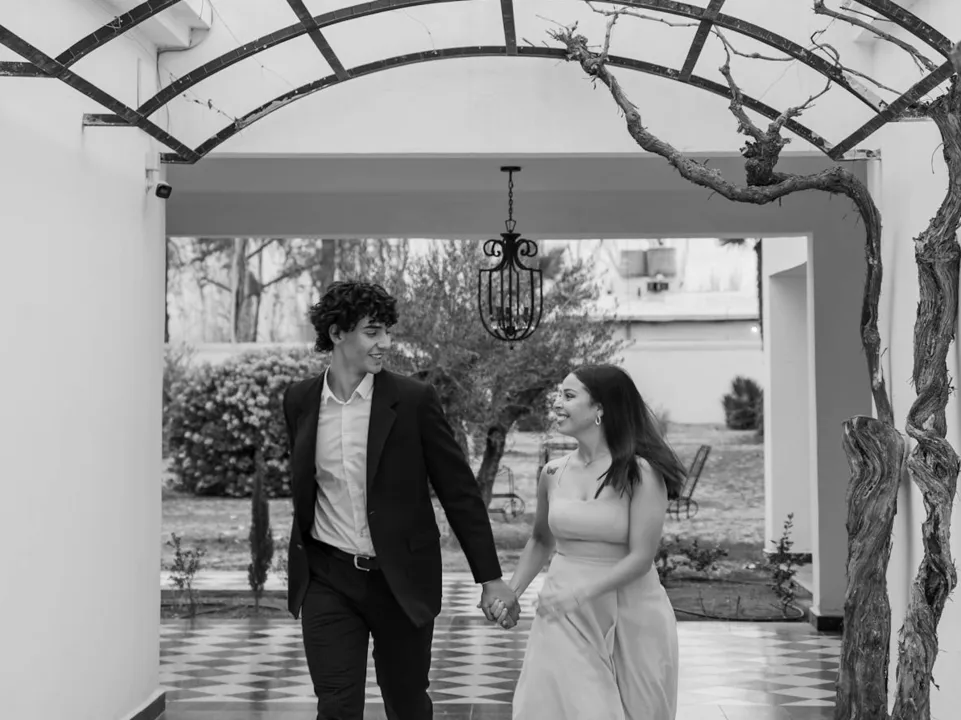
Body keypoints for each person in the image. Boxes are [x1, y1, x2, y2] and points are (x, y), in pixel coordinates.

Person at [281, 280, 520, 720]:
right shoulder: (299, 401)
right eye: (373, 332)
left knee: (407, 702)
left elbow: (459, 492)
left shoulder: (413, 401)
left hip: (401, 581)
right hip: (328, 577)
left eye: (387, 332)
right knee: (335, 706)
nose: (386, 343)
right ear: (337, 333)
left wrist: (489, 578)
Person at [490, 363, 685, 720]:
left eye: (568, 396)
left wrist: (581, 593)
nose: (556, 404)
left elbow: (642, 557)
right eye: (558, 395)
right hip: (563, 611)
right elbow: (541, 540)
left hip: (632, 610)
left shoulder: (640, 472)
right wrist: (511, 592)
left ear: (600, 408)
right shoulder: (552, 472)